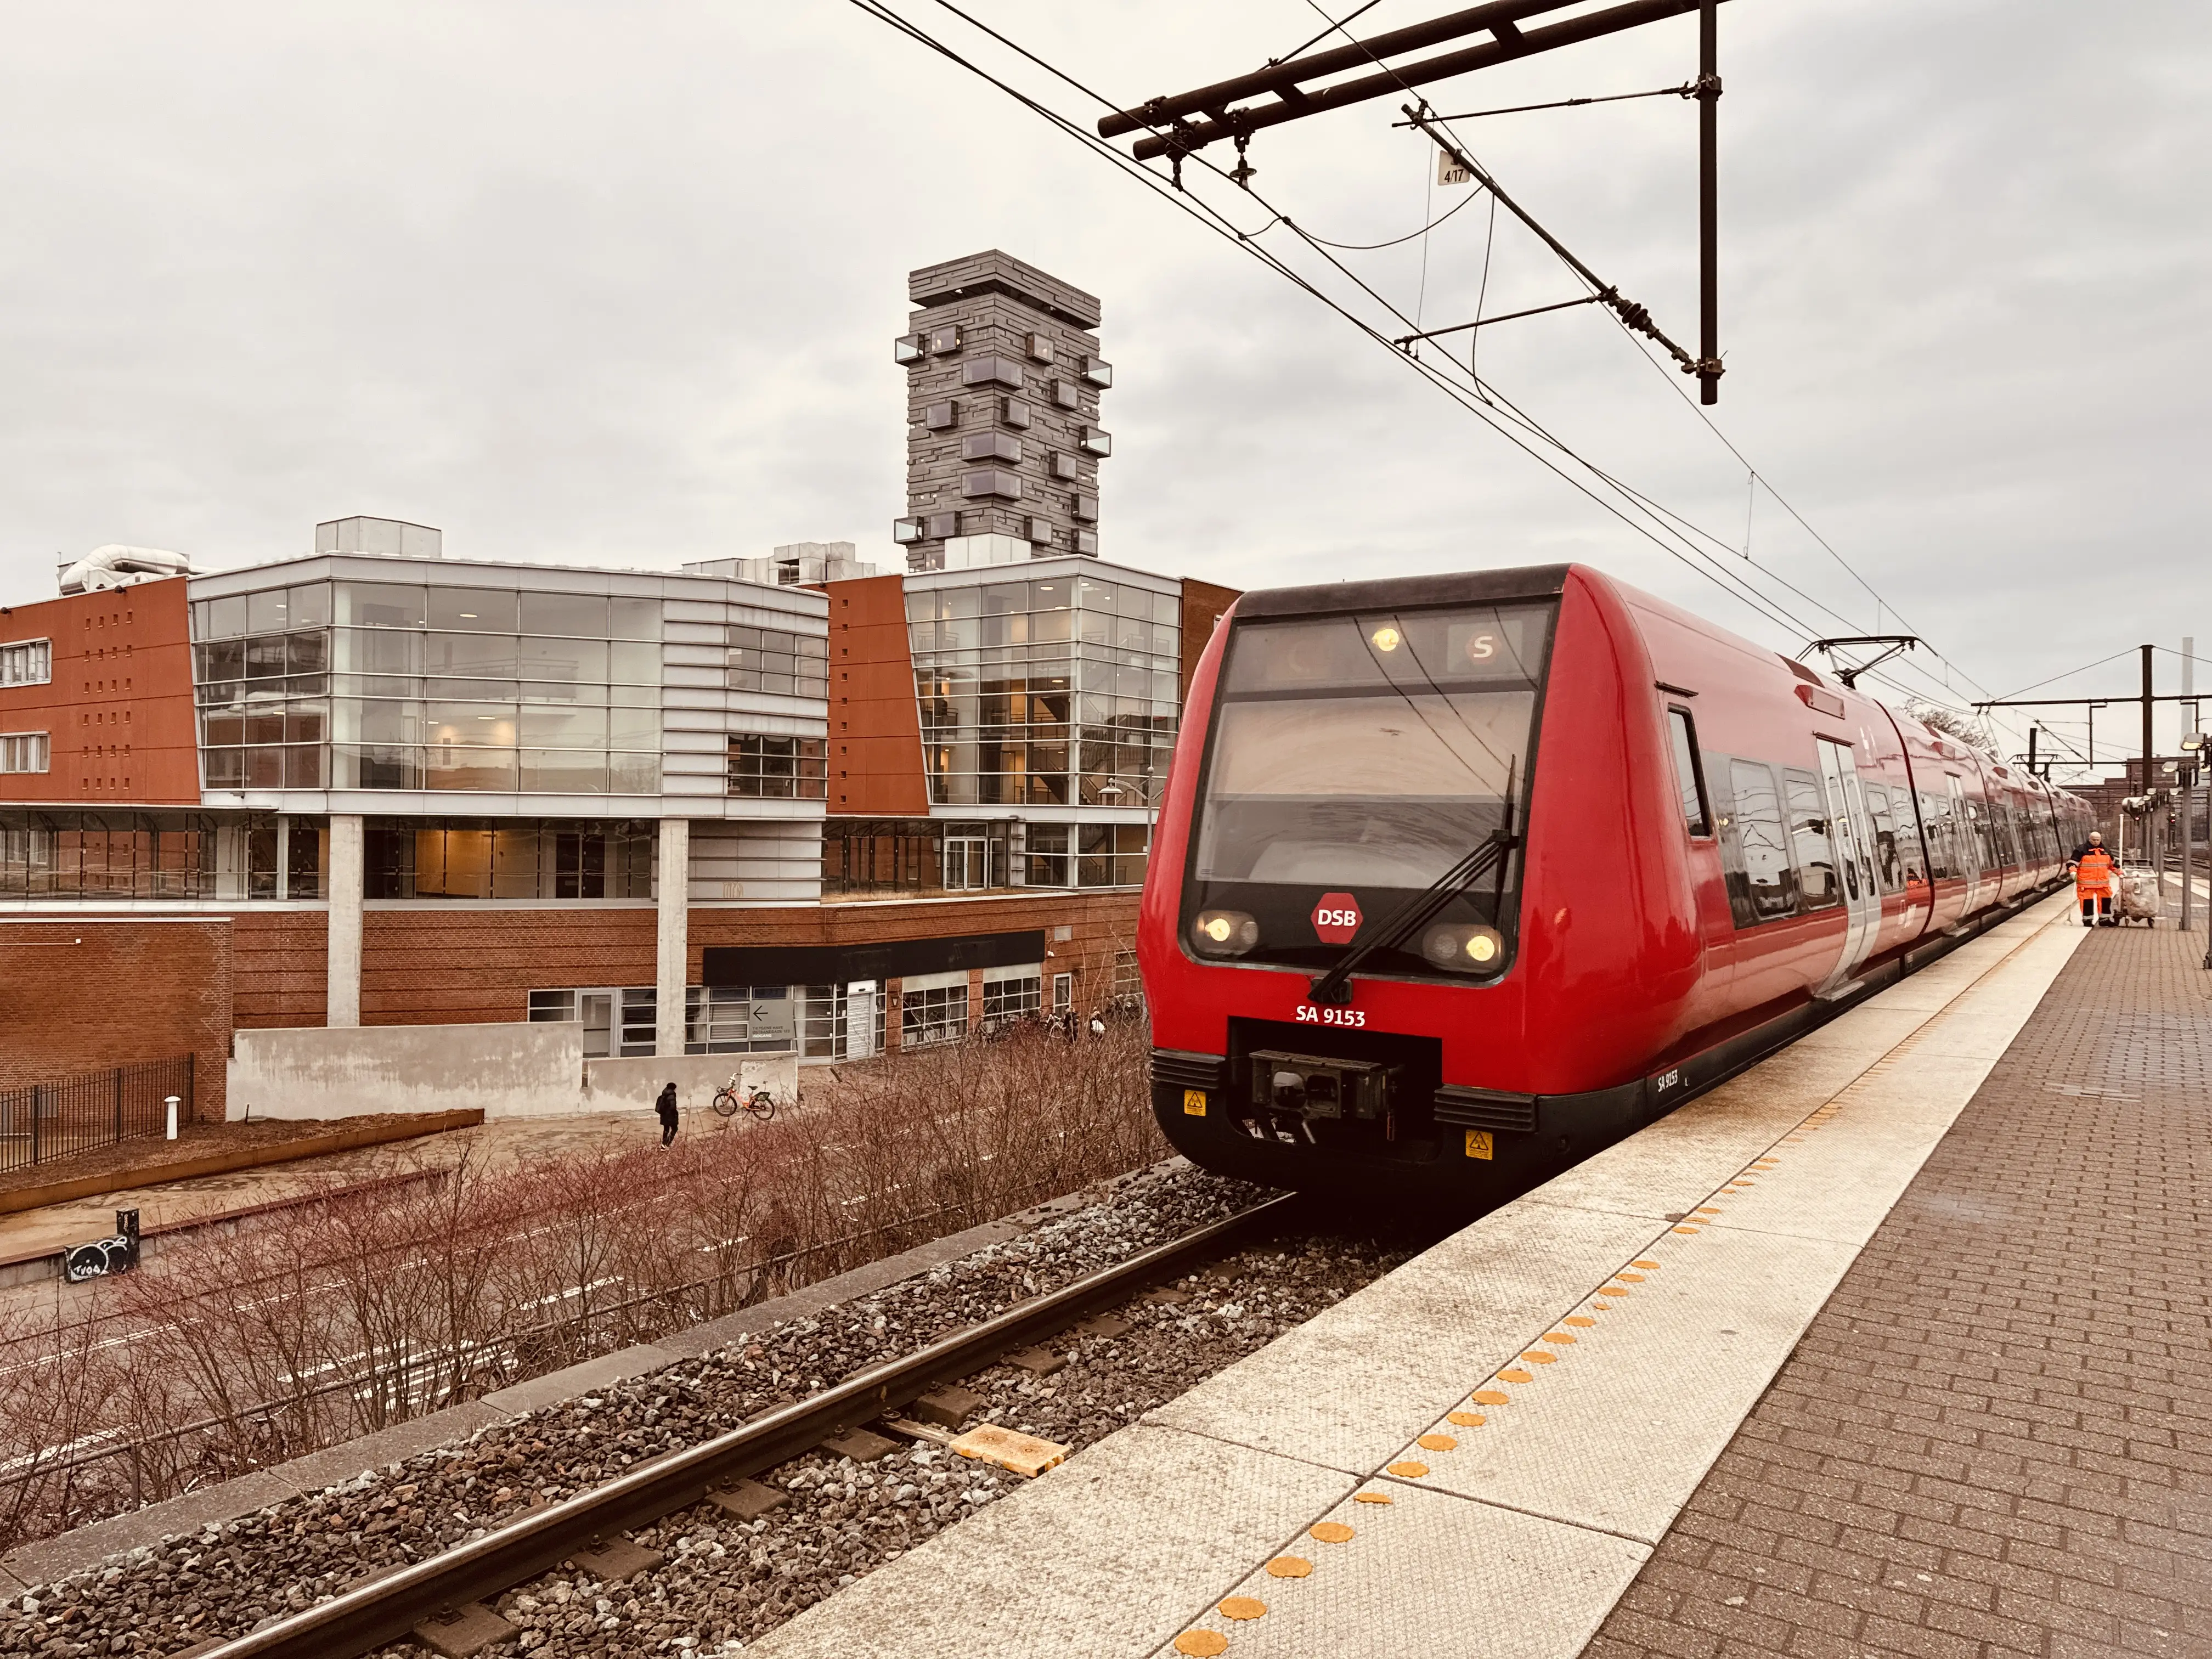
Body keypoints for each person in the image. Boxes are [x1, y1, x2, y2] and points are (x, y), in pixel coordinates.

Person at [2073, 839, 2118, 928]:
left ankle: (2105, 920)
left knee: (2106, 900)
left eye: (2098, 840)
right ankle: (2087, 920)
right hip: (2086, 883)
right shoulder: (2082, 850)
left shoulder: (2105, 851)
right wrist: (2073, 872)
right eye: (2094, 839)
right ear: (2090, 839)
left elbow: (2112, 865)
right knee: (2087, 901)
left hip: (2103, 883)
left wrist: (2120, 873)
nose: (2096, 841)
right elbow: (2073, 863)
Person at [654, 1081, 680, 1147]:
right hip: (670, 1116)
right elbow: (673, 1107)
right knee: (675, 1129)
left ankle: (664, 1143)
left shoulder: (664, 1095)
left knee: (666, 1130)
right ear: (673, 1088)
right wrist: (675, 1115)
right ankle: (668, 1143)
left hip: (664, 1115)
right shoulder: (672, 1096)